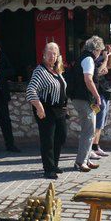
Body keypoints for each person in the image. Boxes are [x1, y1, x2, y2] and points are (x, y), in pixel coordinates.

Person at [26, 42, 68, 179]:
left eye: (55, 54)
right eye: (49, 53)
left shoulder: (56, 70)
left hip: (59, 110)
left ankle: (54, 164)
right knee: (48, 140)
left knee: (61, 136)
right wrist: (39, 107)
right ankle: (48, 169)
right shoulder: (40, 70)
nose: (52, 56)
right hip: (46, 109)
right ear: (44, 55)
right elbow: (31, 90)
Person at [69, 35, 104, 172]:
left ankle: (86, 159)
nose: (100, 53)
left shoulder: (83, 57)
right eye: (100, 51)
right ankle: (80, 162)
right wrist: (97, 96)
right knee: (88, 131)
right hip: (84, 98)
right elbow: (88, 80)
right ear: (95, 49)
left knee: (88, 130)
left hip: (80, 98)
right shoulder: (89, 59)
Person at [90, 45, 111, 159]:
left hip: (103, 91)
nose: (102, 51)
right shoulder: (91, 60)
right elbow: (98, 72)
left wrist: (110, 55)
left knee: (102, 120)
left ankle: (95, 146)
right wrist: (104, 60)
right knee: (98, 119)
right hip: (96, 93)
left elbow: (110, 66)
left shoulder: (100, 59)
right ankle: (90, 147)